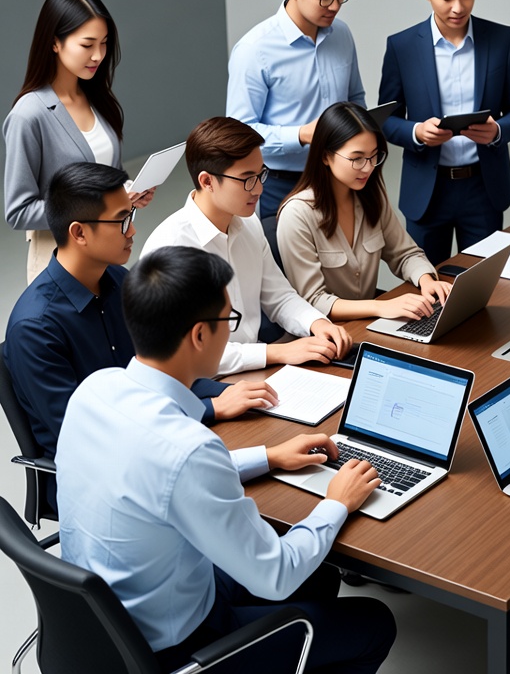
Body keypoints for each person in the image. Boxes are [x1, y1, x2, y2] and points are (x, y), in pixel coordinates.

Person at [56, 246, 395, 672]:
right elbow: (276, 576)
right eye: (228, 321)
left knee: (322, 576)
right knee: (375, 623)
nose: (231, 332)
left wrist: (268, 457)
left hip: (108, 623)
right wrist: (336, 502)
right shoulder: (188, 449)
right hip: (175, 651)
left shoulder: (95, 389)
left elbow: (159, 478)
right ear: (200, 335)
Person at [2, 163, 273, 512]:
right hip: (100, 481)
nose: (133, 230)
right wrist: (208, 409)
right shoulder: (35, 328)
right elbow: (89, 436)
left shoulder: (118, 280)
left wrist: (228, 392)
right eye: (121, 220)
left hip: (154, 444)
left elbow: (161, 370)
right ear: (79, 233)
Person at [142, 117, 350, 374]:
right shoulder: (169, 246)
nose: (260, 188)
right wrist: (276, 352)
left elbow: (279, 296)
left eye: (261, 174)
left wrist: (317, 323)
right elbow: (180, 354)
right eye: (247, 179)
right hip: (202, 385)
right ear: (207, 181)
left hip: (254, 369)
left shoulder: (248, 223)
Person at [378, 0, 510, 264]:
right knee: (424, 290)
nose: (458, 7)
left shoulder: (501, 40)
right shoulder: (402, 47)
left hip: (484, 189)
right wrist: (417, 132)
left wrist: (498, 131)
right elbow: (386, 120)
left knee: (484, 288)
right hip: (427, 193)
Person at [3, 0, 152, 282]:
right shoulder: (29, 114)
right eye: (87, 45)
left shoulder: (96, 97)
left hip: (107, 255)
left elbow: (105, 175)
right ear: (55, 43)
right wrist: (99, 205)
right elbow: (18, 211)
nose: (98, 55)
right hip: (61, 264)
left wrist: (130, 189)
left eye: (104, 43)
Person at [227, 0, 365, 217]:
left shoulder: (342, 34)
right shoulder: (254, 50)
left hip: (340, 178)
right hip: (280, 186)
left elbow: (355, 98)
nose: (336, 6)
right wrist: (301, 134)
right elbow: (239, 134)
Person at [277, 102, 451, 320]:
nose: (368, 167)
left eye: (374, 156)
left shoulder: (372, 196)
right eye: (357, 158)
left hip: (368, 325)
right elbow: (313, 300)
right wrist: (380, 307)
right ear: (325, 156)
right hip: (326, 336)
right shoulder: (297, 214)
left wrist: (426, 280)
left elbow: (405, 254)